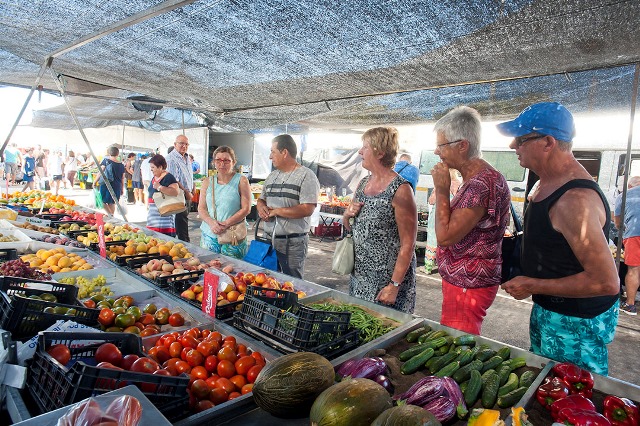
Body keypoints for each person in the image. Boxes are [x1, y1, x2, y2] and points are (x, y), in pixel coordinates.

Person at [499, 102, 619, 375]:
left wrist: (532, 283)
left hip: (575, 324)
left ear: (548, 142)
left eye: (520, 139)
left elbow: (606, 282)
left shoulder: (575, 201)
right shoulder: (545, 182)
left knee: (572, 400)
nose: (512, 146)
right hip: (551, 312)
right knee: (544, 385)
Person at [431, 106, 511, 334]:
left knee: (458, 344)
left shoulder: (479, 184)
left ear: (462, 145)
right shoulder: (480, 178)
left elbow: (445, 236)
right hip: (465, 282)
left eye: (441, 145)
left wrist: (442, 190)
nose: (437, 152)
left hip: (468, 284)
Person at [342, 127, 418, 313]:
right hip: (360, 278)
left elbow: (408, 245)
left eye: (365, 147)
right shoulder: (362, 184)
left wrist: (394, 285)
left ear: (380, 153)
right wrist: (346, 216)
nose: (360, 152)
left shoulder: (401, 190)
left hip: (386, 285)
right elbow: (350, 229)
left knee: (384, 334)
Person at [257, 134, 320, 278]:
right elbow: (261, 200)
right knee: (267, 281)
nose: (270, 156)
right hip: (268, 240)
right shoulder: (272, 176)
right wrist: (261, 208)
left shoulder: (306, 176)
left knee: (292, 284)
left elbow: (307, 208)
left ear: (284, 152)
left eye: (273, 152)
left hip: (293, 244)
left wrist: (277, 211)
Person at [198, 146, 251, 258]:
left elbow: (246, 208)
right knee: (209, 267)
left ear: (233, 162)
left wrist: (226, 224)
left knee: (233, 270)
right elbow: (201, 208)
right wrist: (212, 223)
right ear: (214, 162)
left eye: (226, 160)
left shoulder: (241, 180)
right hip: (209, 234)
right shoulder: (207, 182)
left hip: (233, 235)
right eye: (218, 160)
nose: (222, 164)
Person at [424, 169, 461, 274]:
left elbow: (431, 200)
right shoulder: (458, 184)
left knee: (432, 239)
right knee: (449, 241)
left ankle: (428, 268)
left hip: (437, 216)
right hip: (452, 216)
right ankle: (447, 267)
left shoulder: (440, 184)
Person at [614, 176, 640, 315]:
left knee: (634, 270)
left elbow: (617, 223)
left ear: (629, 186)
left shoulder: (624, 195)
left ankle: (629, 305)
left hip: (634, 234)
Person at [166, 135, 194, 242]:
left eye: (186, 144)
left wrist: (192, 186)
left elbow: (188, 174)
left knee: (184, 220)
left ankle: (184, 243)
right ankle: (185, 245)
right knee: (181, 223)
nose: (184, 146)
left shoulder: (187, 157)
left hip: (188, 194)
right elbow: (173, 180)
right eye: (181, 143)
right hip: (179, 195)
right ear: (175, 144)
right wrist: (186, 191)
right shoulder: (171, 159)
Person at [146, 154, 180, 237]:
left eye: (153, 167)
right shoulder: (154, 178)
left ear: (160, 167)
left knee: (164, 240)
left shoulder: (169, 177)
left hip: (164, 217)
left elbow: (175, 192)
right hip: (153, 216)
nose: (151, 170)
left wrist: (160, 187)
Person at [98, 146, 126, 216]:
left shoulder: (106, 161)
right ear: (118, 154)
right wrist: (122, 188)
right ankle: (112, 215)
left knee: (102, 201)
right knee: (112, 202)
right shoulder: (121, 165)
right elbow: (123, 178)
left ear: (109, 153)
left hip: (106, 184)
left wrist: (95, 181)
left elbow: (100, 171)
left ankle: (110, 214)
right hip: (117, 186)